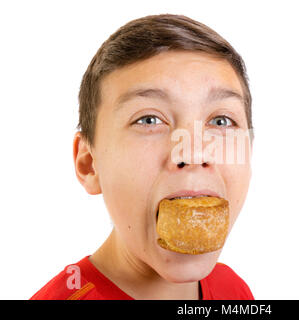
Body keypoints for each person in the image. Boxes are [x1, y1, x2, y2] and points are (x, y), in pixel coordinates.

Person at [30, 13, 254, 300]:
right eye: (149, 120)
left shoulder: (232, 289)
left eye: (221, 121)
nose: (194, 152)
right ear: (89, 164)